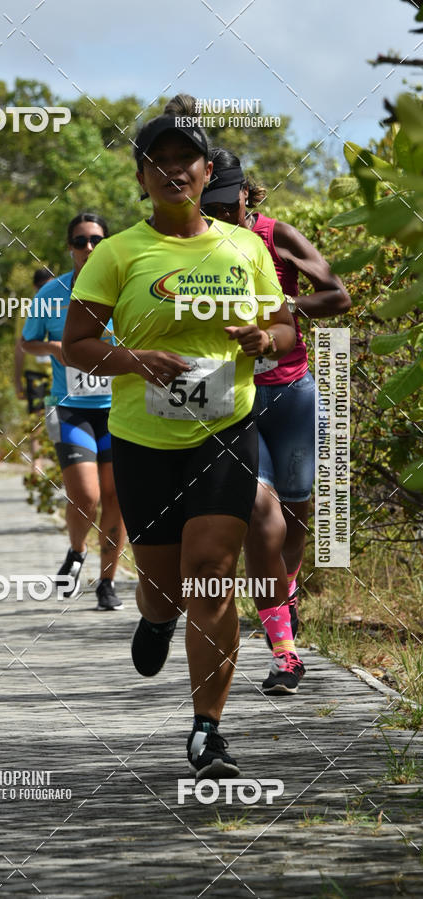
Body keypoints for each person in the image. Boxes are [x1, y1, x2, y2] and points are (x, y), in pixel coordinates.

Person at [63, 115, 296, 778]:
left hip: (224, 430)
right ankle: (157, 617)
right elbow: (79, 344)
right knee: (165, 588)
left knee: (212, 579)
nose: (173, 170)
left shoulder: (244, 248)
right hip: (143, 441)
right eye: (157, 161)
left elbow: (282, 326)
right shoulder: (118, 254)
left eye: (185, 160)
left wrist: (263, 340)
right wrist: (134, 359)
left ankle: (207, 732)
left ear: (206, 172)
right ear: (141, 178)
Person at [201, 146, 351, 694]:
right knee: (260, 516)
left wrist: (282, 310)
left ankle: (280, 613)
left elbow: (339, 295)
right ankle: (284, 649)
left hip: (291, 393)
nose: (217, 215)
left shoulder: (275, 233)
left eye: (225, 204)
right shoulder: (194, 243)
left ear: (246, 192)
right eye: (207, 205)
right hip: (230, 396)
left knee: (296, 516)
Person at [20, 215, 126, 611]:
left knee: (116, 497)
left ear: (108, 244)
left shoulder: (125, 285)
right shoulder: (51, 292)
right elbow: (29, 341)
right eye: (80, 241)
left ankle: (107, 581)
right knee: (86, 494)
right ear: (69, 247)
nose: (88, 248)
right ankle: (77, 552)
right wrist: (55, 350)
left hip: (119, 408)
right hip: (71, 408)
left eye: (96, 240)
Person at [15, 267, 52, 474]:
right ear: (34, 287)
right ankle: (36, 461)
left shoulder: (61, 304)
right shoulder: (26, 309)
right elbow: (19, 346)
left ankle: (57, 459)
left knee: (57, 417)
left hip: (57, 370)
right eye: (40, 287)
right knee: (35, 417)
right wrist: (17, 379)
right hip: (34, 371)